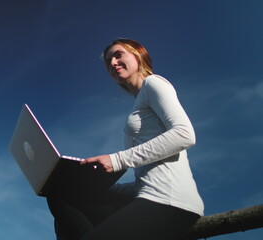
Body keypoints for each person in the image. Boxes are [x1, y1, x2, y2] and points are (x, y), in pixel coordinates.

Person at [46, 38, 204, 240]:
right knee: (62, 194)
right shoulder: (140, 102)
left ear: (138, 54)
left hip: (171, 202)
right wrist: (107, 187)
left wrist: (116, 160)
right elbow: (149, 178)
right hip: (145, 196)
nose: (112, 63)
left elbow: (184, 134)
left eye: (118, 55)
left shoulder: (153, 83)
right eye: (108, 62)